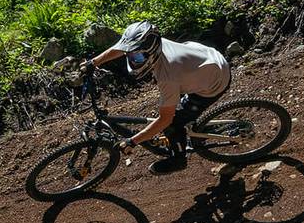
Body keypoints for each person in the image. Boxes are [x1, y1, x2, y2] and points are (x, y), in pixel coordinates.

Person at [87, 20, 231, 174]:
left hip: (215, 81)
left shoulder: (167, 78)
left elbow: (165, 119)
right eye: (131, 55)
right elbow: (123, 48)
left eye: (138, 58)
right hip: (204, 61)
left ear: (151, 52)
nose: (133, 60)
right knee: (175, 109)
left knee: (172, 123)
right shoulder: (153, 44)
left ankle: (178, 159)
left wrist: (133, 141)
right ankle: (197, 125)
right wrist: (93, 62)